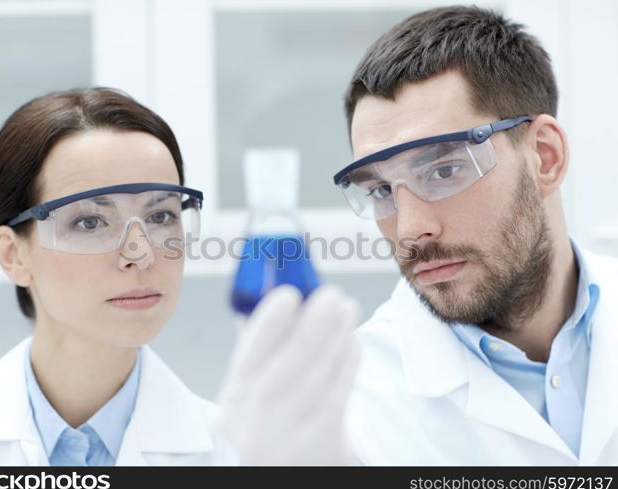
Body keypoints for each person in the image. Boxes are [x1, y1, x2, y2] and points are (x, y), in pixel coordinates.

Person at [217, 6, 618, 465]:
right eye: (381, 190)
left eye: (443, 169)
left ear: (544, 157)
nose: (409, 229)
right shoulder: (346, 409)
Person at [0, 87, 237, 466]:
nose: (140, 253)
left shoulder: (241, 454)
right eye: (89, 221)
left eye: (160, 216)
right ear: (13, 254)